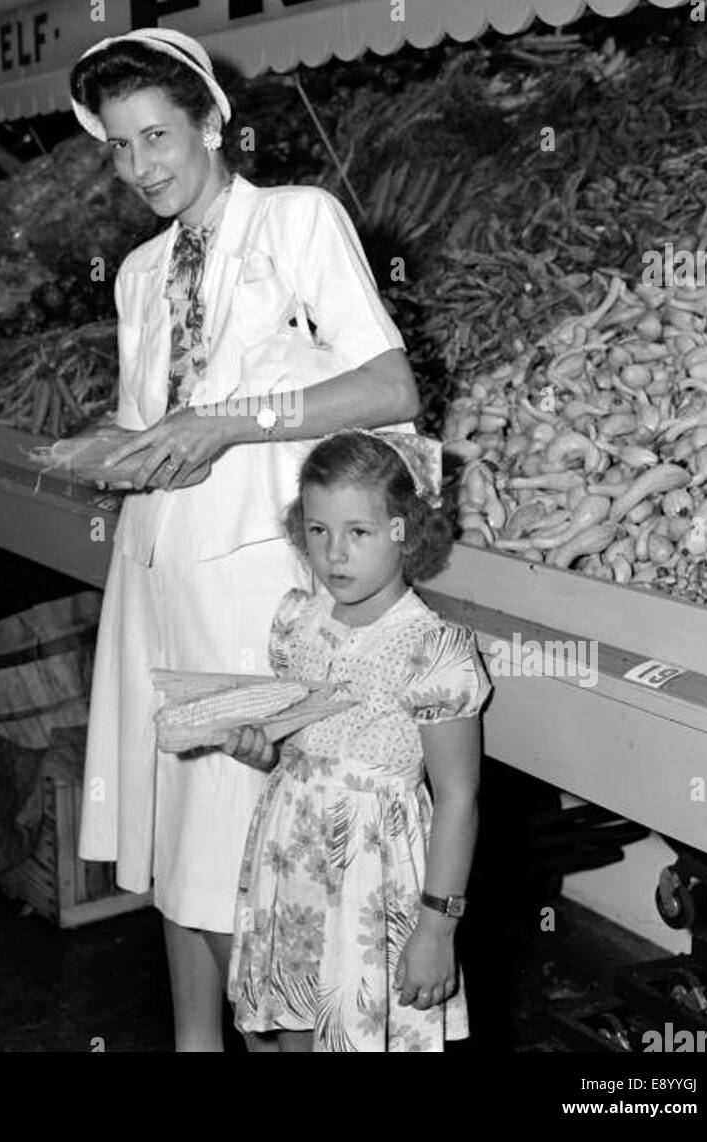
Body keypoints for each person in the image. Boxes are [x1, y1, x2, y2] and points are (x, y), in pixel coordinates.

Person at [67, 26, 420, 1052]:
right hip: (156, 581)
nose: (142, 166)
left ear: (212, 121)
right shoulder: (138, 274)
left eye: (159, 135)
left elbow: (387, 384)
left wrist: (232, 421)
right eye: (120, 147)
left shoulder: (297, 222)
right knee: (180, 837)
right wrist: (110, 448)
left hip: (257, 598)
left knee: (258, 856)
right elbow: (161, 427)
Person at [225, 428, 491, 1052]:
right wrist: (264, 753)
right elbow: (298, 748)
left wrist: (437, 928)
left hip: (375, 883)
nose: (334, 554)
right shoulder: (298, 623)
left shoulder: (433, 648)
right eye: (317, 531)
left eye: (359, 532)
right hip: (294, 868)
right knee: (295, 1028)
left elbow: (458, 798)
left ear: (405, 532)